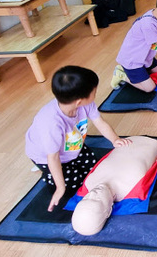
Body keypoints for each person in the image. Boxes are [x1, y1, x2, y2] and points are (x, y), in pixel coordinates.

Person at [24, 66, 132, 212]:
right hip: (47, 156)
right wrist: (60, 187)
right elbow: (53, 157)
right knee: (71, 185)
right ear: (79, 101)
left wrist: (115, 139)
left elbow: (99, 122)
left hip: (72, 146)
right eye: (94, 91)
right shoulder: (50, 122)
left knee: (95, 169)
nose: (95, 93)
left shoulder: (84, 105)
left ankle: (67, 168)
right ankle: (48, 175)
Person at [68, 136, 157, 235]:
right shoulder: (134, 185)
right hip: (149, 143)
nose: (92, 193)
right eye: (97, 200)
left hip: (128, 140)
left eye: (85, 198)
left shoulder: (90, 182)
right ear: (109, 211)